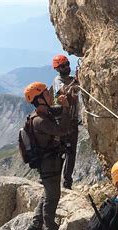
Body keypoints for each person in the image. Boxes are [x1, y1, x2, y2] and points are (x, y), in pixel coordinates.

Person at [24, 82, 71, 230]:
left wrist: (65, 98)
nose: (50, 95)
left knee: (47, 193)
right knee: (53, 197)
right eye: (47, 93)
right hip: (49, 164)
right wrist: (65, 108)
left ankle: (35, 225)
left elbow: (55, 109)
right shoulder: (40, 121)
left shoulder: (41, 114)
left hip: (49, 163)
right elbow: (63, 129)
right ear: (40, 99)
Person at [51, 54, 80, 189]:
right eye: (63, 66)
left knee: (70, 152)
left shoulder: (70, 79)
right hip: (64, 121)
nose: (67, 67)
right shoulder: (58, 80)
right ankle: (60, 181)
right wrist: (76, 82)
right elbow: (64, 91)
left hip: (71, 120)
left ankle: (66, 182)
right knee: (65, 151)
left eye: (67, 64)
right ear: (57, 69)